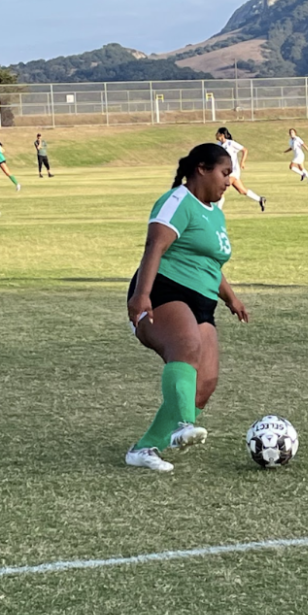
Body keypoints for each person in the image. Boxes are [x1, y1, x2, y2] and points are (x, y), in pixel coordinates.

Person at [125, 143, 248, 471]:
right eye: (224, 172)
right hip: (164, 289)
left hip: (203, 301)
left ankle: (144, 449)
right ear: (202, 169)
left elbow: (209, 262)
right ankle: (182, 424)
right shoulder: (178, 200)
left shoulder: (215, 213)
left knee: (204, 385)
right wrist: (141, 295)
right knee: (186, 346)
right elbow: (155, 245)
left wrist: (231, 297)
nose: (229, 180)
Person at [216, 127, 265, 211]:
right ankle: (260, 199)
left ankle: (217, 212)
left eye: (218, 133)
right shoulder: (218, 145)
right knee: (242, 190)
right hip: (225, 172)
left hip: (233, 171)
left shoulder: (231, 143)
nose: (216, 135)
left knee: (221, 189)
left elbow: (245, 150)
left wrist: (242, 162)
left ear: (223, 135)